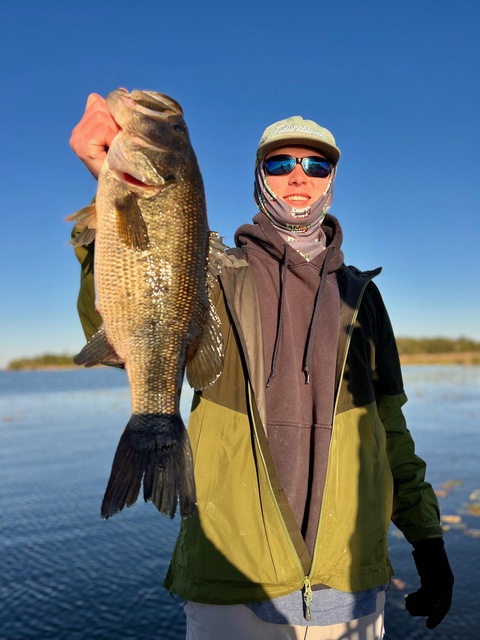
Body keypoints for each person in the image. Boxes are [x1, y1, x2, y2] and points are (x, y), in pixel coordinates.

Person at [70, 93, 454, 640]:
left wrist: (428, 539)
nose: (299, 174)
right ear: (259, 176)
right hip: (233, 584)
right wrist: (102, 192)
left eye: (316, 164)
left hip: (350, 584)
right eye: (280, 162)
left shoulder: (364, 299)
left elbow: (391, 432)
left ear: (330, 181)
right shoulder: (216, 275)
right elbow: (128, 311)